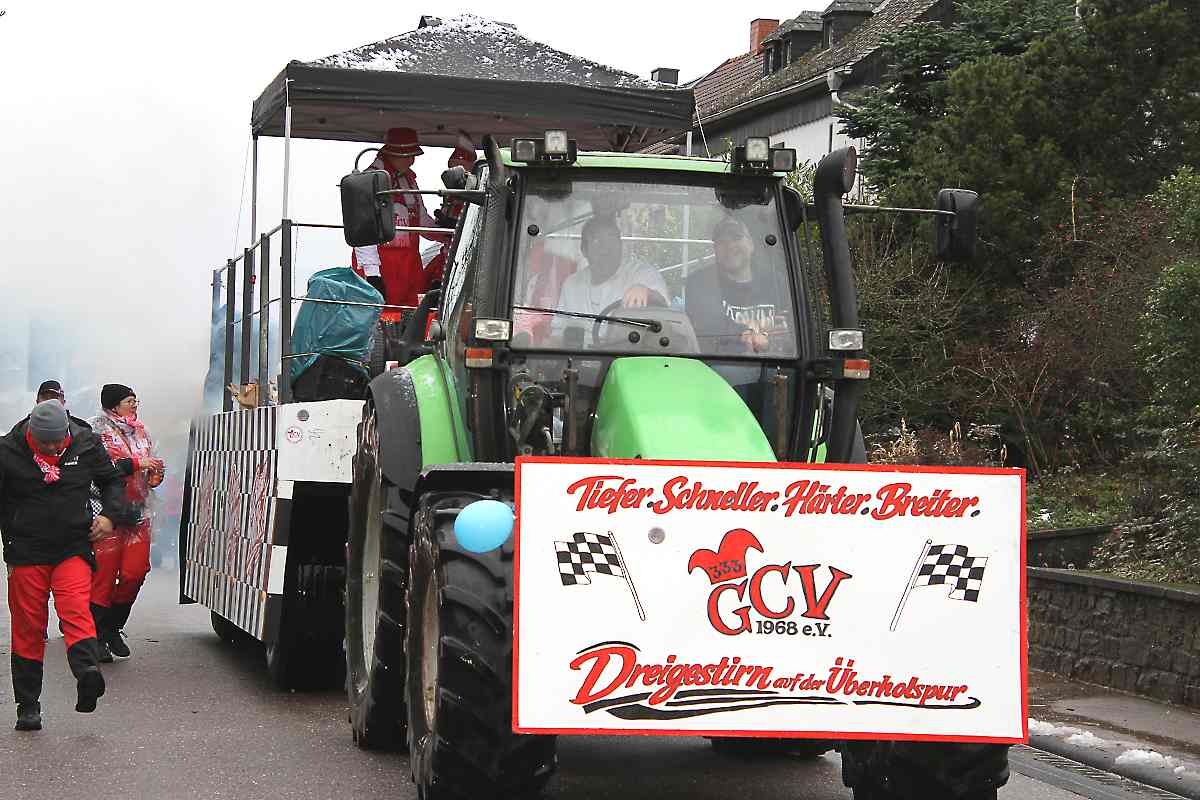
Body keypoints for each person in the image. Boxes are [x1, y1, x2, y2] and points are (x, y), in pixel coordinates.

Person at [1, 401, 131, 730]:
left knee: (76, 610)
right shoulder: (7, 451)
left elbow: (113, 481)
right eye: (45, 443)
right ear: (31, 435)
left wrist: (109, 516)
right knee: (28, 627)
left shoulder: (86, 443)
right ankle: (28, 706)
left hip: (72, 545)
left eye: (58, 442)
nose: (53, 448)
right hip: (26, 550)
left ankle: (87, 674)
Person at [88, 384, 164, 662]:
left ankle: (112, 627)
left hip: (138, 514)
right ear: (113, 405)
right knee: (103, 578)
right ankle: (96, 635)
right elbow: (97, 472)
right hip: (108, 514)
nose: (134, 405)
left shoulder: (141, 431)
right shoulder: (95, 430)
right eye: (129, 401)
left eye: (135, 401)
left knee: (135, 572)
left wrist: (154, 476)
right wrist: (135, 464)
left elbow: (149, 467)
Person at [351, 127, 452, 307]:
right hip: (382, 266)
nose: (411, 161)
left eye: (413, 155)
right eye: (407, 155)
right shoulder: (369, 180)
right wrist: (373, 275)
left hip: (409, 266)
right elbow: (363, 232)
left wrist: (447, 232)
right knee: (379, 315)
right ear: (392, 154)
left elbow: (421, 220)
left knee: (412, 314)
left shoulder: (409, 180)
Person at [686, 217, 784, 354]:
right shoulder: (699, 283)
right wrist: (747, 333)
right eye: (722, 242)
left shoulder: (776, 282)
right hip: (720, 361)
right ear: (715, 249)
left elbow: (790, 324)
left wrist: (766, 338)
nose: (730, 246)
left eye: (737, 238)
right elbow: (706, 323)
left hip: (776, 361)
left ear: (751, 244)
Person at [555, 215, 668, 320]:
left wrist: (647, 293)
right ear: (584, 250)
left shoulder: (641, 274)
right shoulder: (572, 285)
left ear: (621, 245)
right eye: (597, 241)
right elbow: (559, 330)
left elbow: (664, 308)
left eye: (612, 239)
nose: (606, 247)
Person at [10, 380, 92, 434]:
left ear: (63, 402)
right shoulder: (18, 432)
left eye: (54, 398)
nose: (49, 402)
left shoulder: (82, 432)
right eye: (45, 398)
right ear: (37, 402)